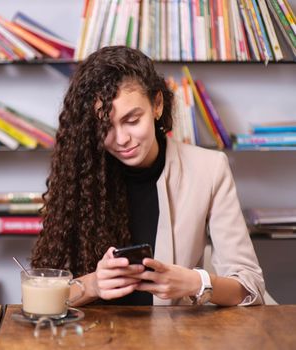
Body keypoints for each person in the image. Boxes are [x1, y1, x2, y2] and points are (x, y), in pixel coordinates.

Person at [31, 46, 265, 306]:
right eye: (105, 127)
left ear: (157, 105)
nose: (121, 140)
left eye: (132, 120)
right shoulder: (81, 172)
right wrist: (94, 284)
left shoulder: (209, 169)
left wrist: (194, 282)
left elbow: (249, 287)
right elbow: (40, 297)